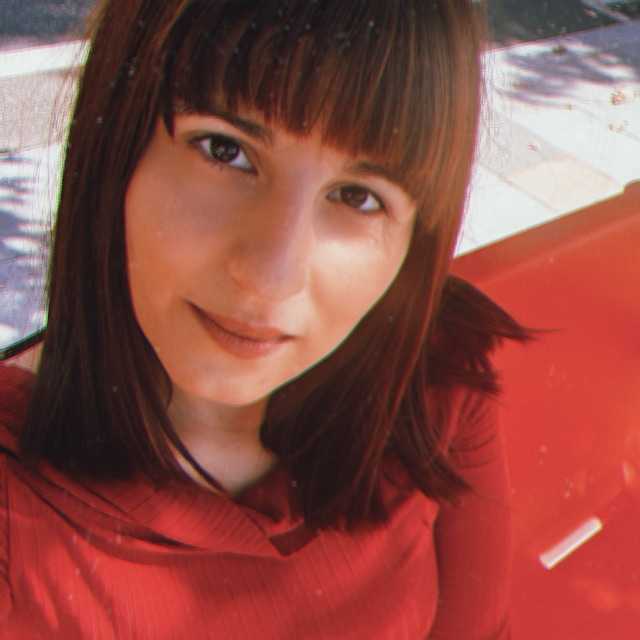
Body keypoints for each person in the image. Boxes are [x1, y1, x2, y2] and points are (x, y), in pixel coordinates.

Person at [0, 1, 531, 638]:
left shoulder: (435, 385)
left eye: (357, 196)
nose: (271, 277)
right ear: (117, 143)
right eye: (225, 150)